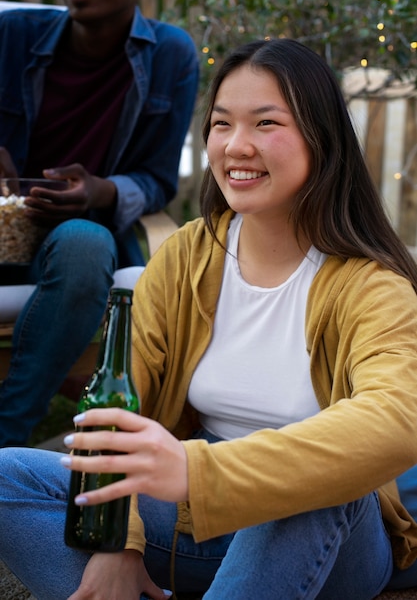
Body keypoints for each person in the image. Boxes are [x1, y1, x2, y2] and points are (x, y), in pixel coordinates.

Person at [1, 37, 417, 600]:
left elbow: (398, 418)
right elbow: (117, 401)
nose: (236, 146)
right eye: (222, 124)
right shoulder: (187, 254)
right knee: (7, 476)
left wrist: (197, 472)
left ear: (323, 138)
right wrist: (118, 541)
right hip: (194, 522)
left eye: (266, 123)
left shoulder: (372, 284)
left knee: (304, 490)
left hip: (331, 538)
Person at [0, 0, 199, 446]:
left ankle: (6, 436)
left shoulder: (170, 54)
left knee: (87, 244)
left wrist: (97, 192)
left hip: (72, 242)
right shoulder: (13, 35)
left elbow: (157, 181)